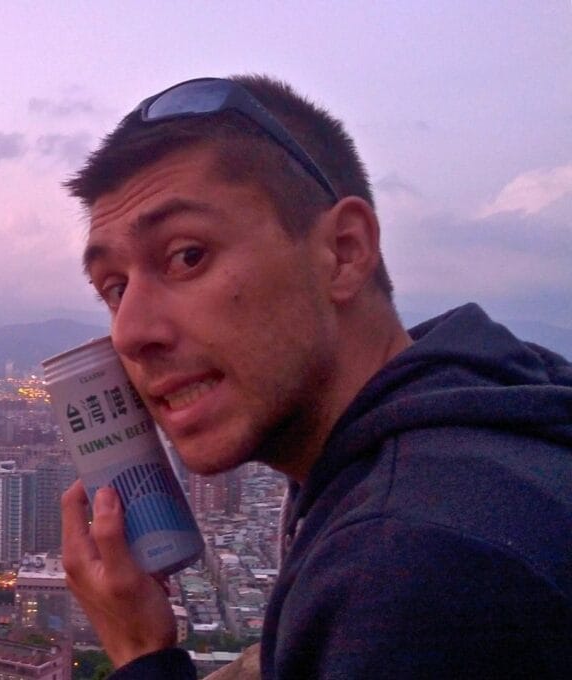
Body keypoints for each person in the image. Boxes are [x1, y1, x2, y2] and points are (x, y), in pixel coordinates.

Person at [59, 75, 572, 679]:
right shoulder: (495, 420)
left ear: (345, 251)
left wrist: (143, 656)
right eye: (113, 289)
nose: (128, 333)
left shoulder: (413, 565)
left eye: (187, 255)